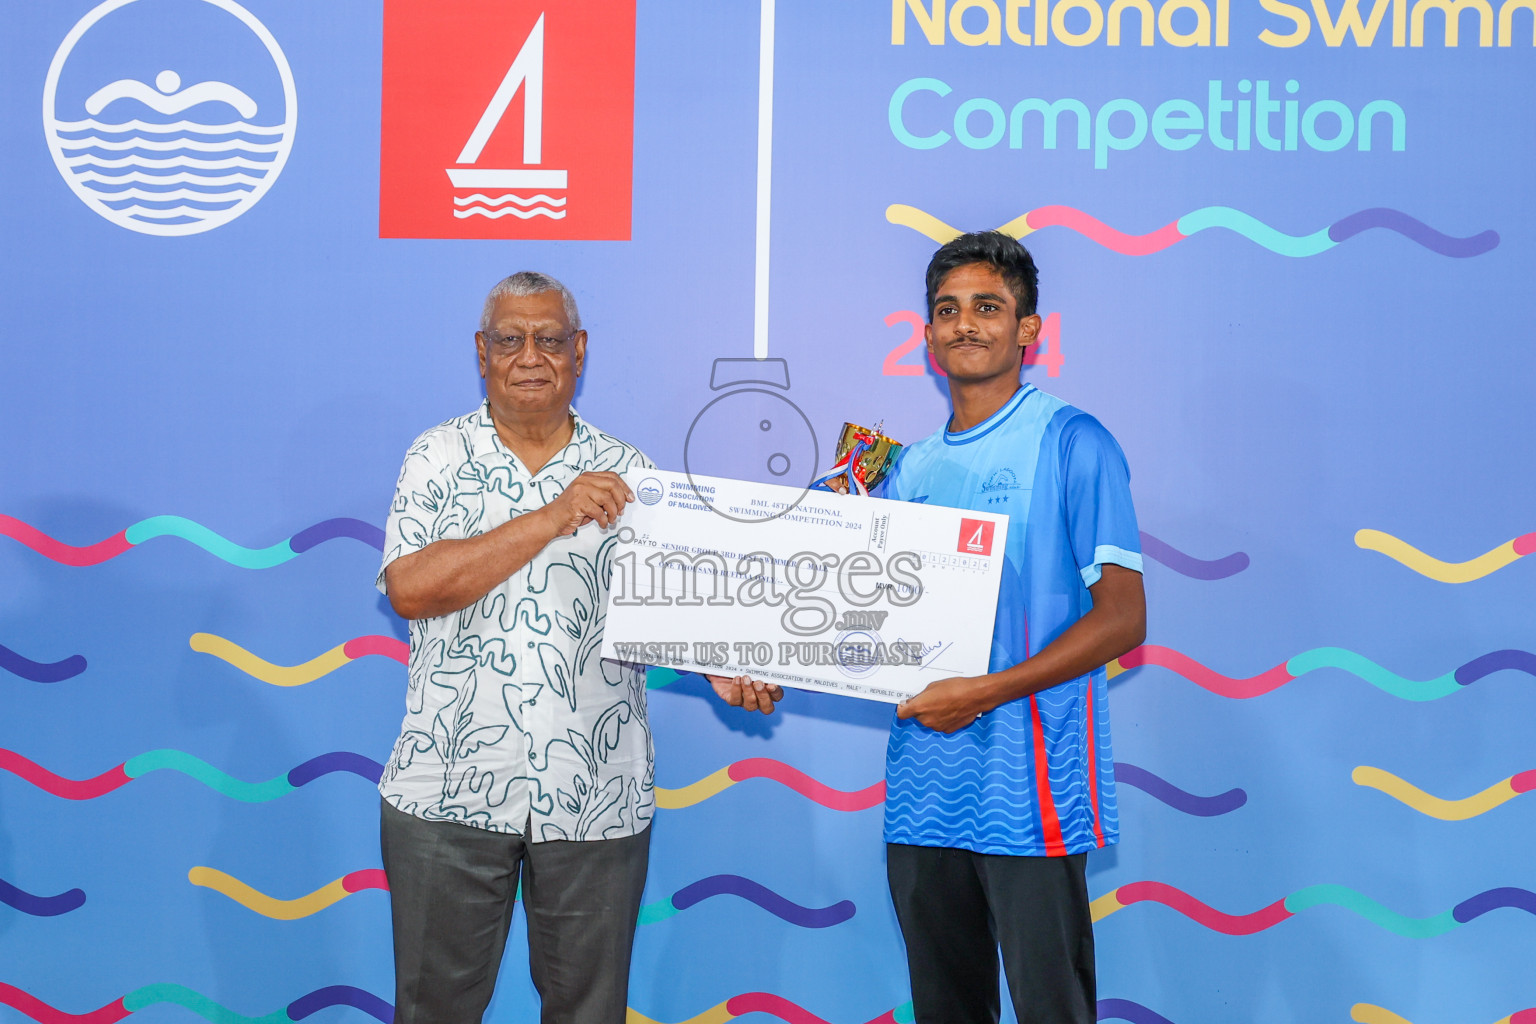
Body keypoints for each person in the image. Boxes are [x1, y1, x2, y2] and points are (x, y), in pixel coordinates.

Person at [375, 270, 782, 1024]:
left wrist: (720, 668)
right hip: (446, 790)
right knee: (433, 1011)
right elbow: (411, 589)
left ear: (580, 351)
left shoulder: (634, 477)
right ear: (481, 351)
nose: (530, 355)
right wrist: (552, 515)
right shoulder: (434, 457)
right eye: (510, 339)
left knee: (590, 1014)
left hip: (595, 798)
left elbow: (674, 615)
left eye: (550, 339)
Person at [881, 233, 1147, 1024]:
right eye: (948, 310)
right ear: (925, 333)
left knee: (1051, 1010)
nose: (966, 324)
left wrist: (987, 691)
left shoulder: (1074, 442)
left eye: (989, 308)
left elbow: (1125, 618)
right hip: (922, 791)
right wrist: (751, 660)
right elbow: (861, 622)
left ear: (1029, 330)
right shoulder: (902, 469)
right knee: (945, 1010)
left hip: (1029, 793)